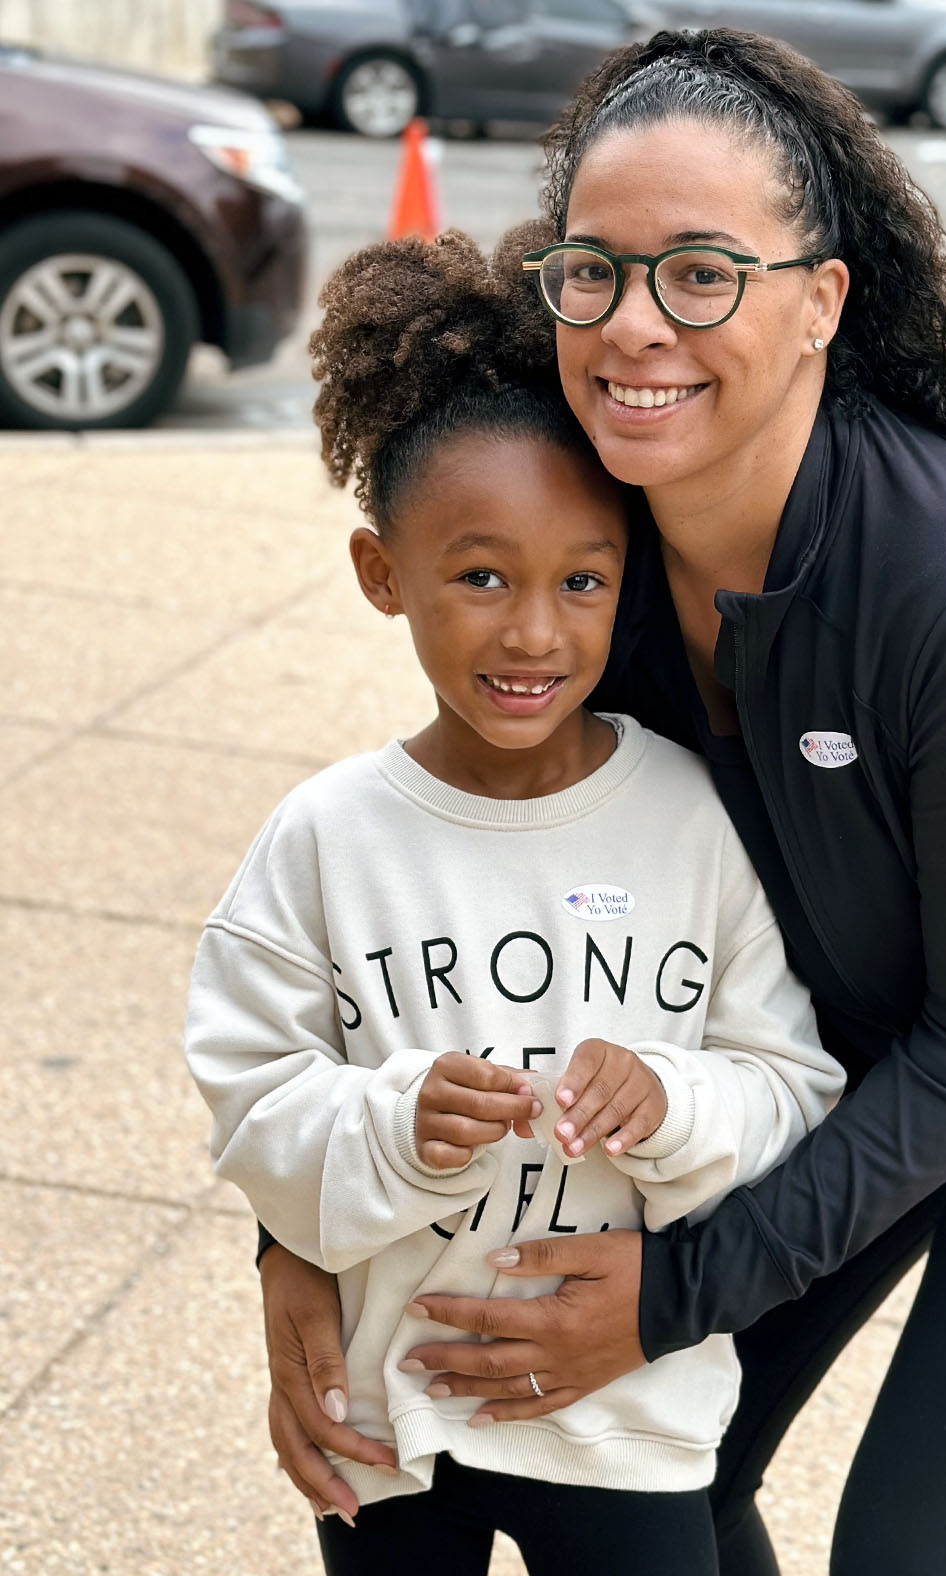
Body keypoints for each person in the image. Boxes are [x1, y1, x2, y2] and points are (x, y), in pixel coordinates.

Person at [257, 30, 946, 1576]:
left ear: (820, 299)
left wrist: (674, 1288)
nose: (637, 327)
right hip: (870, 1041)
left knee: (911, 1548)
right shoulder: (598, 535)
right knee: (666, 1471)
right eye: (596, 272)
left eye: (703, 275)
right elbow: (471, 890)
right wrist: (299, 1234)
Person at [184, 227, 844, 1576]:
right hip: (387, 1411)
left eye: (580, 582)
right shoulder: (325, 839)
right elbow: (250, 1096)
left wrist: (671, 1104)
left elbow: (789, 1080)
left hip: (623, 1418)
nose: (534, 632)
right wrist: (392, 1119)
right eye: (479, 576)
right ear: (385, 577)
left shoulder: (695, 819)